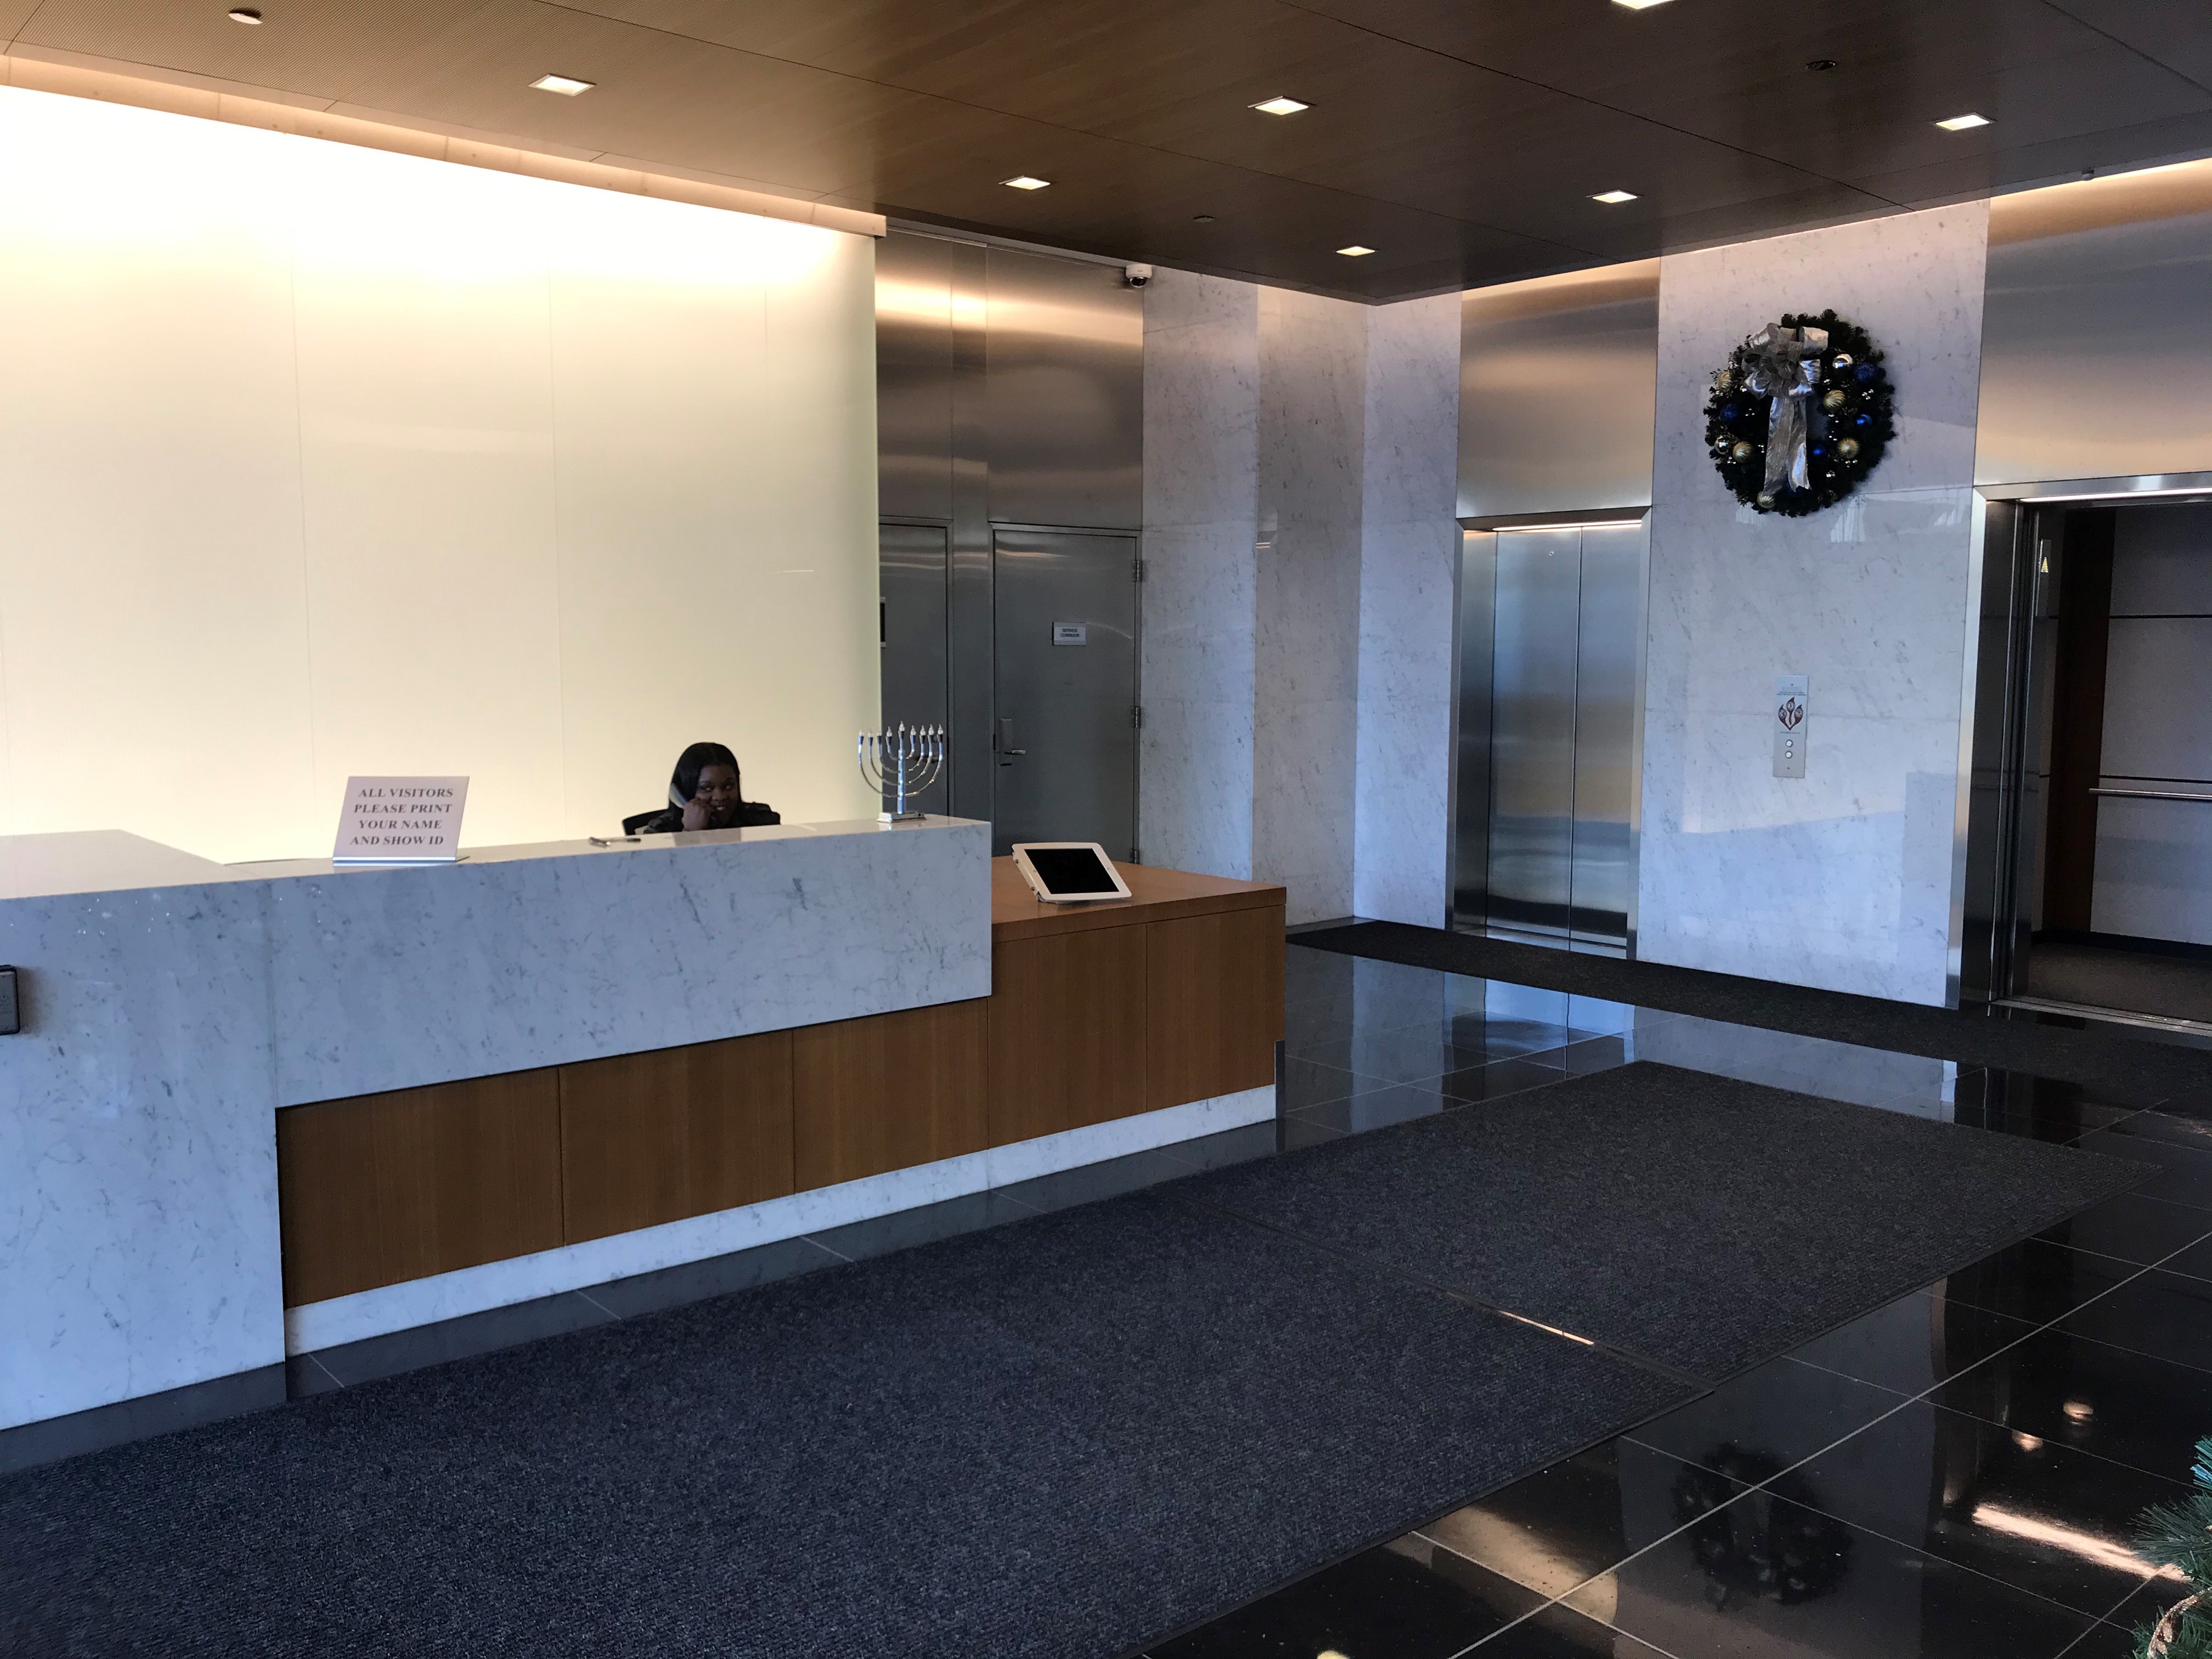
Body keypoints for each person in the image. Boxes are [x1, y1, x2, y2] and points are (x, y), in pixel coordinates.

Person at [628, 742, 780, 834]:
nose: (720, 796)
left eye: (729, 786)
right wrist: (691, 834)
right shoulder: (660, 832)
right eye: (706, 788)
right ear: (684, 791)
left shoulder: (762, 822)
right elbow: (662, 876)